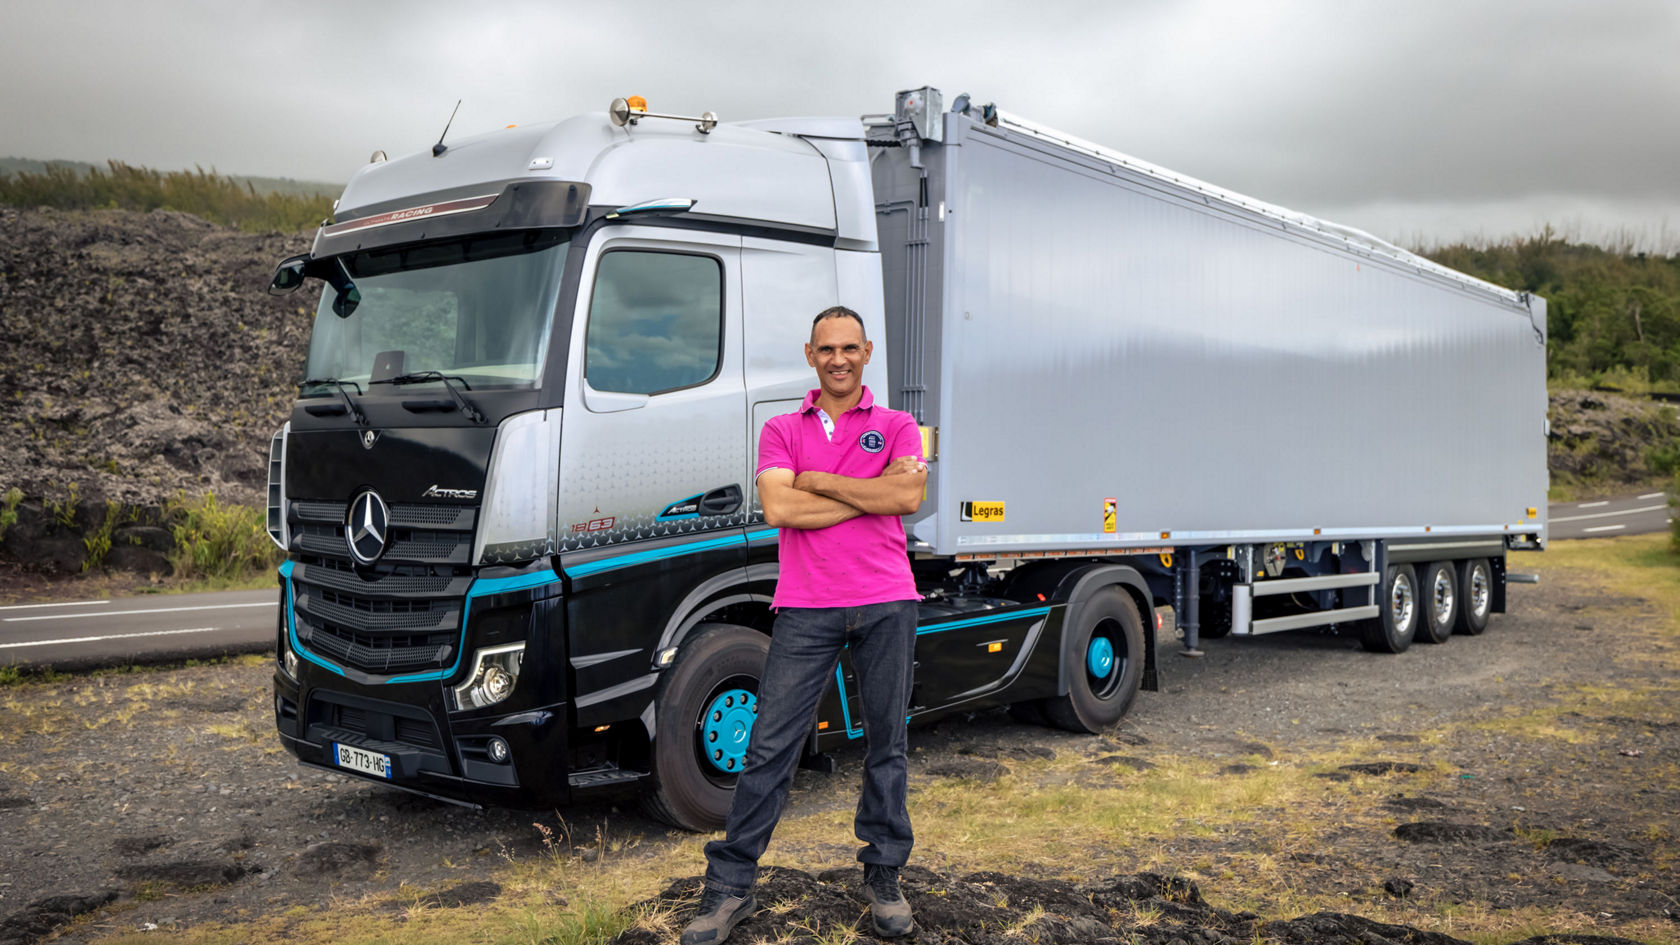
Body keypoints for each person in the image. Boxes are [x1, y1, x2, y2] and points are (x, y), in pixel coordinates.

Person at [682, 305, 928, 945]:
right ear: (810, 355)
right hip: (807, 604)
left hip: (887, 600)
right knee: (769, 746)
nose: (839, 359)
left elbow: (906, 498)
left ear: (868, 351)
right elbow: (780, 505)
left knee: (886, 744)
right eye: (827, 349)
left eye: (850, 347)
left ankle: (883, 875)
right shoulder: (780, 428)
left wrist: (821, 482)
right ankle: (731, 887)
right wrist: (858, 486)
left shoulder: (900, 425)